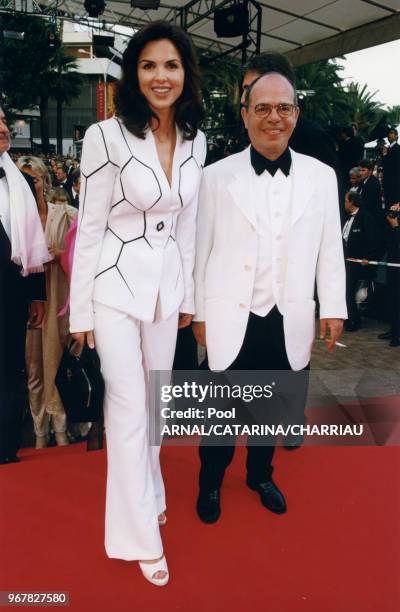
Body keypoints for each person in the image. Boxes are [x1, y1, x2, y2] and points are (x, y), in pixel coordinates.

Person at [69, 20, 206, 585]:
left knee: (154, 408)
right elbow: (91, 227)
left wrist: (189, 298)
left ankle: (150, 494)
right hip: (114, 292)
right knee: (127, 409)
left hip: (165, 293)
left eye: (170, 65)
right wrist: (80, 315)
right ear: (134, 74)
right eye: (148, 65)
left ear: (185, 73)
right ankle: (138, 539)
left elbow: (189, 226)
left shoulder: (197, 139)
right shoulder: (105, 135)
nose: (160, 76)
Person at [193, 71, 347, 523]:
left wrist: (334, 306)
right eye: (262, 108)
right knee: (220, 417)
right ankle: (211, 483)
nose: (273, 117)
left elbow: (329, 248)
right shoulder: (214, 178)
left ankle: (259, 474)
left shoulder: (322, 177)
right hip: (230, 317)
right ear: (245, 115)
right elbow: (198, 251)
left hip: (289, 315)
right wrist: (199, 312)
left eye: (283, 107)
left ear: (296, 115)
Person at [0, 106, 51, 464]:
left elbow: (33, 241)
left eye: (3, 121)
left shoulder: (19, 182)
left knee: (10, 368)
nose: (3, 128)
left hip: (11, 295)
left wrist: (37, 296)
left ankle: (6, 447)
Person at [17, 159, 77, 448]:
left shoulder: (65, 214)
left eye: (35, 180)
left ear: (44, 181)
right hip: (29, 302)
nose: (31, 186)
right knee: (34, 366)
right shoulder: (13, 219)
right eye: (24, 181)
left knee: (57, 361)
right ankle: (40, 429)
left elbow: (84, 251)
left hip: (59, 296)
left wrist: (61, 253)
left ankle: (62, 424)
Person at [342, 191, 379, 332]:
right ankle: (349, 317)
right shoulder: (347, 218)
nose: (344, 203)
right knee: (346, 291)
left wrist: (368, 257)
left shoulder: (366, 217)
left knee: (350, 291)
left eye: (346, 200)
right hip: (347, 260)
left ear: (352, 202)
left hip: (358, 262)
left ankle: (354, 320)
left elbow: (373, 240)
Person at [378, 204, 400, 347]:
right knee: (392, 299)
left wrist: (396, 227)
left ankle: (397, 335)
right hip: (393, 265)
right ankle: (394, 330)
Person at [382, 128, 400, 208]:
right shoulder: (389, 148)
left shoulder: (397, 148)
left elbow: (391, 165)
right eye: (388, 133)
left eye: (392, 133)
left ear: (396, 136)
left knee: (392, 203)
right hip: (388, 180)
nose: (389, 134)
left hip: (394, 181)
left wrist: (385, 154)